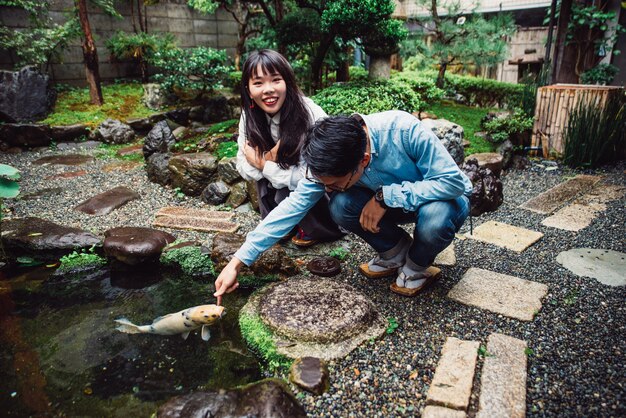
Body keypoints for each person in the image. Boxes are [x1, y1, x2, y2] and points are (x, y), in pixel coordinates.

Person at [214, 110, 473, 302]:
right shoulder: (328, 156)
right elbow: (291, 209)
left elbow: (453, 183)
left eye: (335, 183)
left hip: (442, 200)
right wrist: (237, 262)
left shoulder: (403, 130)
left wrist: (386, 197)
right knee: (340, 205)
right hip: (397, 203)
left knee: (436, 217)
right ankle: (396, 253)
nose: (327, 189)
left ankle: (416, 266)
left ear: (364, 160)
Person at [236, 49, 343, 247]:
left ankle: (317, 228)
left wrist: (263, 163)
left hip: (314, 184)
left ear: (288, 82)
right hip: (278, 179)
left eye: (275, 80)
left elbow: (316, 174)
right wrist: (270, 161)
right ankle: (282, 224)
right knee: (267, 184)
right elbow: (243, 165)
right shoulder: (248, 117)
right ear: (248, 89)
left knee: (294, 182)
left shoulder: (310, 113)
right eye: (258, 83)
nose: (268, 89)